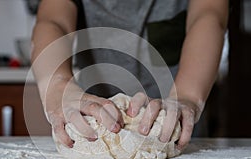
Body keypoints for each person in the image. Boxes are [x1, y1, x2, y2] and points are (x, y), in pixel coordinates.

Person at [31, 0, 229, 150]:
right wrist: (57, 85)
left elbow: (209, 16)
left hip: (179, 131)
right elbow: (54, 20)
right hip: (92, 126)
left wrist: (188, 96)